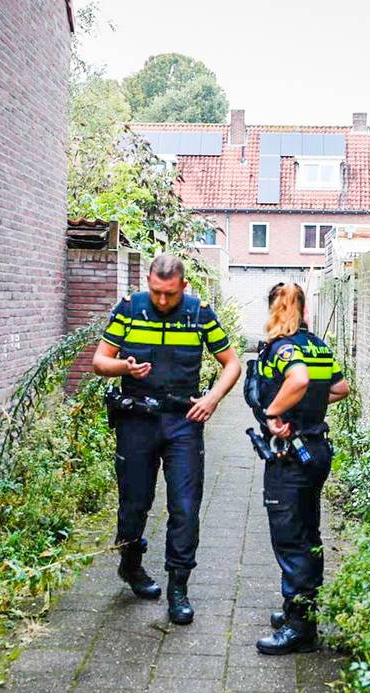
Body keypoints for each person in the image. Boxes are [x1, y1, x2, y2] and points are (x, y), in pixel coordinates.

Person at [91, 253, 241, 624]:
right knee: (133, 504)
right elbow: (99, 361)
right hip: (136, 420)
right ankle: (131, 563)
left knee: (185, 506)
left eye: (169, 294)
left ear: (183, 287)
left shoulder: (198, 313)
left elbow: (232, 363)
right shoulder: (128, 309)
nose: (161, 301)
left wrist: (212, 398)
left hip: (183, 421)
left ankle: (179, 587)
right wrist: (123, 366)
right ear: (147, 282)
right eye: (156, 292)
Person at [248, 282, 349, 654]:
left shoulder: (282, 348)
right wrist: (310, 409)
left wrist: (275, 410)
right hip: (317, 450)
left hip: (291, 456)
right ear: (304, 310)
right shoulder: (317, 346)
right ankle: (301, 609)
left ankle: (299, 629)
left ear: (274, 309)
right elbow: (340, 388)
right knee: (309, 533)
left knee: (290, 538)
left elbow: (300, 379)